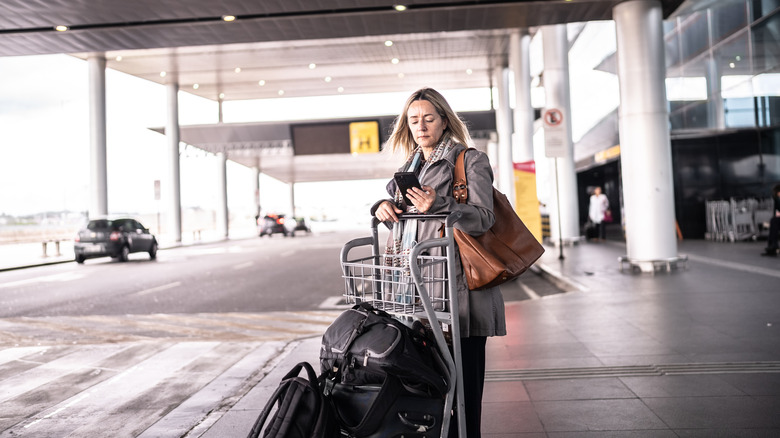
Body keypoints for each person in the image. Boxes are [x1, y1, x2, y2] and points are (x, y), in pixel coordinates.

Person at [371, 87, 505, 437]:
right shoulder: (409, 168)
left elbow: (484, 218)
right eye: (413, 120)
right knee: (431, 391)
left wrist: (442, 204)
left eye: (429, 118)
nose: (421, 126)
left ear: (445, 121)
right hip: (416, 294)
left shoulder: (470, 161)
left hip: (459, 292)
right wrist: (382, 208)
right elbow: (404, 216)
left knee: (465, 392)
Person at [761, 183, 780, 256]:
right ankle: (772, 246)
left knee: (774, 222)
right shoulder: (777, 200)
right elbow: (776, 212)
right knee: (774, 222)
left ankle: (773, 246)